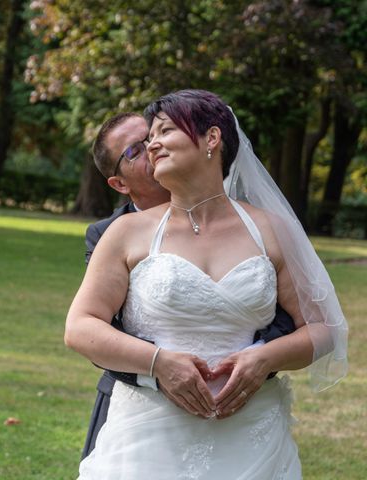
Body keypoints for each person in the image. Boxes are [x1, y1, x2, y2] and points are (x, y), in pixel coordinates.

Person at [66, 89, 348, 478]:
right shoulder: (125, 233)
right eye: (147, 141)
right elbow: (80, 326)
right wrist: (158, 363)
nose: (153, 146)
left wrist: (265, 358)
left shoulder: (270, 229)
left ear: (211, 139)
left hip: (252, 437)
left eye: (163, 131)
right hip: (148, 437)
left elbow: (323, 328)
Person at [81, 112, 296, 459]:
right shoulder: (111, 234)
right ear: (120, 184)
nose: (153, 146)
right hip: (143, 405)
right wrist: (159, 371)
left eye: (155, 134)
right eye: (135, 149)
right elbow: (97, 327)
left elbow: (292, 316)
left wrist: (260, 359)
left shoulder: (253, 224)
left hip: (244, 410)